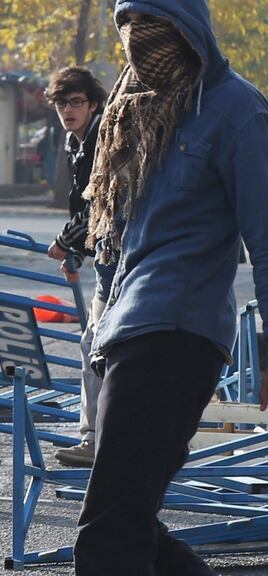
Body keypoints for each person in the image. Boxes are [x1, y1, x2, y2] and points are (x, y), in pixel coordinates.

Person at [73, 2, 268, 574]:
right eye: (129, 31)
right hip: (127, 334)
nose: (141, 47)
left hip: (179, 336)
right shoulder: (132, 110)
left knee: (108, 539)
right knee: (134, 527)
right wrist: (101, 336)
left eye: (155, 31)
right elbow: (116, 233)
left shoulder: (236, 110)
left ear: (191, 32)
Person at [42, 67, 113, 468]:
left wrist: (65, 243)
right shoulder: (75, 139)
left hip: (125, 259)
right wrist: (76, 255)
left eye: (76, 102)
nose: (67, 110)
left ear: (93, 103)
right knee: (97, 345)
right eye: (61, 103)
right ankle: (100, 437)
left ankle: (99, 440)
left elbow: (98, 203)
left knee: (98, 346)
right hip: (107, 257)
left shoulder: (102, 137)